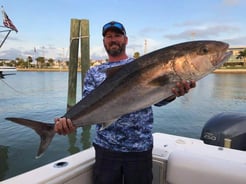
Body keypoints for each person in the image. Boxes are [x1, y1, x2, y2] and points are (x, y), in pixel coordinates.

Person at [54, 21, 196, 184]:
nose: (113, 39)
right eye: (109, 36)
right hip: (105, 149)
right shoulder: (94, 72)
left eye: (117, 35)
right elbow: (87, 105)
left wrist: (172, 94)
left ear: (126, 40)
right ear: (104, 42)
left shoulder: (143, 65)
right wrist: (69, 122)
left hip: (139, 148)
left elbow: (158, 101)